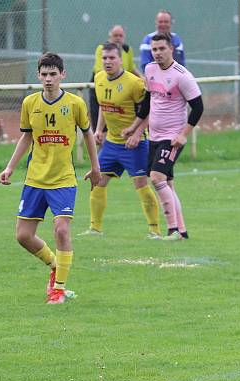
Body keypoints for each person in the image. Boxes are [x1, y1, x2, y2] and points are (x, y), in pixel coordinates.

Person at [0, 52, 101, 304]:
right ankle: (56, 265)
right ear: (38, 76)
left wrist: (95, 167)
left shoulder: (75, 104)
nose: (48, 79)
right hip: (35, 179)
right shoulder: (30, 103)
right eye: (44, 74)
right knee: (23, 236)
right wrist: (10, 167)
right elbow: (26, 136)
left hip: (63, 180)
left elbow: (88, 134)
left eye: (53, 74)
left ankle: (59, 289)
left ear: (62, 75)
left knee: (62, 230)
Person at [123, 33, 203, 240]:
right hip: (154, 137)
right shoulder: (149, 70)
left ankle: (172, 230)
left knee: (157, 177)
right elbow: (148, 103)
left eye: (161, 49)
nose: (157, 53)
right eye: (154, 49)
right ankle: (182, 231)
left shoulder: (182, 75)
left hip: (173, 138)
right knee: (167, 182)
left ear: (171, 49)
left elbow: (198, 107)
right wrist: (134, 127)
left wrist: (183, 135)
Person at [79, 42, 161, 238]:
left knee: (141, 185)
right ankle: (95, 229)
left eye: (112, 58)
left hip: (135, 144)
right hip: (111, 144)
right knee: (98, 182)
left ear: (120, 59)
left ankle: (155, 230)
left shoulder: (134, 83)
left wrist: (135, 134)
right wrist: (99, 130)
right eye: (104, 58)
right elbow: (104, 107)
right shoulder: (99, 79)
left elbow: (148, 111)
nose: (107, 62)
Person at [89, 25, 141, 130]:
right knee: (103, 116)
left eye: (120, 35)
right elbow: (101, 71)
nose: (118, 38)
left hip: (122, 85)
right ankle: (100, 137)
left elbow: (132, 68)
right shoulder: (102, 48)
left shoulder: (127, 49)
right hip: (104, 86)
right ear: (110, 36)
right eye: (115, 35)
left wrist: (143, 79)